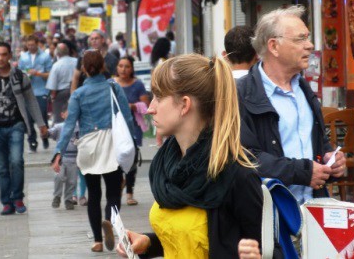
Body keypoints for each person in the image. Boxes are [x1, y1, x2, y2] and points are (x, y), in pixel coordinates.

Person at [117, 54, 262, 258]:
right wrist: (149, 242)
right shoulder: (168, 166)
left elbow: (264, 247)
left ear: (184, 105)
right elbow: (186, 238)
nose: (150, 108)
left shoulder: (237, 175)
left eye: (159, 97)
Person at [237, 5, 346, 206]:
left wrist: (331, 161)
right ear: (273, 46)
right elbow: (244, 158)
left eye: (308, 37)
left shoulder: (304, 89)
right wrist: (303, 172)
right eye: (300, 39)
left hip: (313, 211)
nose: (310, 45)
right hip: (269, 214)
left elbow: (318, 144)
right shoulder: (241, 94)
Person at [54, 50, 135, 253]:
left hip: (88, 146)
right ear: (103, 67)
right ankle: (109, 220)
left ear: (83, 69)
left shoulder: (78, 94)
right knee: (114, 194)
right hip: (111, 144)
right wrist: (132, 141)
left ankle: (97, 241)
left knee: (93, 194)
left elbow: (69, 125)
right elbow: (127, 117)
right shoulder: (113, 87)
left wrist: (58, 152)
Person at [0, 42, 48, 215]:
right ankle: (7, 202)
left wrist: (41, 124)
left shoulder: (20, 76)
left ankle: (17, 197)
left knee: (17, 161)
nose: (1, 58)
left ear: (10, 56)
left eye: (4, 54)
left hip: (16, 126)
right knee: (2, 168)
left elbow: (31, 101)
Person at [113, 56, 150, 206]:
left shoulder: (138, 84)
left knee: (132, 159)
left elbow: (146, 103)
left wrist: (133, 106)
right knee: (117, 159)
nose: (123, 69)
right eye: (121, 66)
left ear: (132, 69)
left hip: (133, 126)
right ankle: (119, 183)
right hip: (115, 127)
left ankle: (129, 193)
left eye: (127, 66)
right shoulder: (112, 84)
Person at [18, 35, 53, 152]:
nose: (31, 47)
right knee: (28, 119)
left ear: (37, 44)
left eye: (33, 44)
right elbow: (19, 72)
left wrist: (38, 74)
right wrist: (25, 74)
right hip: (27, 91)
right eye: (29, 45)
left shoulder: (45, 56)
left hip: (41, 90)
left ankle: (45, 137)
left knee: (42, 117)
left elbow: (50, 73)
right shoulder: (23, 57)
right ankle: (32, 141)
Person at [48, 104, 79, 210]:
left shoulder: (79, 127)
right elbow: (49, 133)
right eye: (68, 113)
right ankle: (57, 196)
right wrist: (44, 131)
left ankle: (68, 199)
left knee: (72, 181)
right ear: (62, 115)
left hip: (74, 159)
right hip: (61, 158)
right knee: (58, 177)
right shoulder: (59, 127)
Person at [45, 43, 77, 124]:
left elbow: (53, 86)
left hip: (61, 96)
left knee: (60, 120)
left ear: (58, 53)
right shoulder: (76, 61)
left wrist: (53, 97)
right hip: (76, 91)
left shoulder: (56, 65)